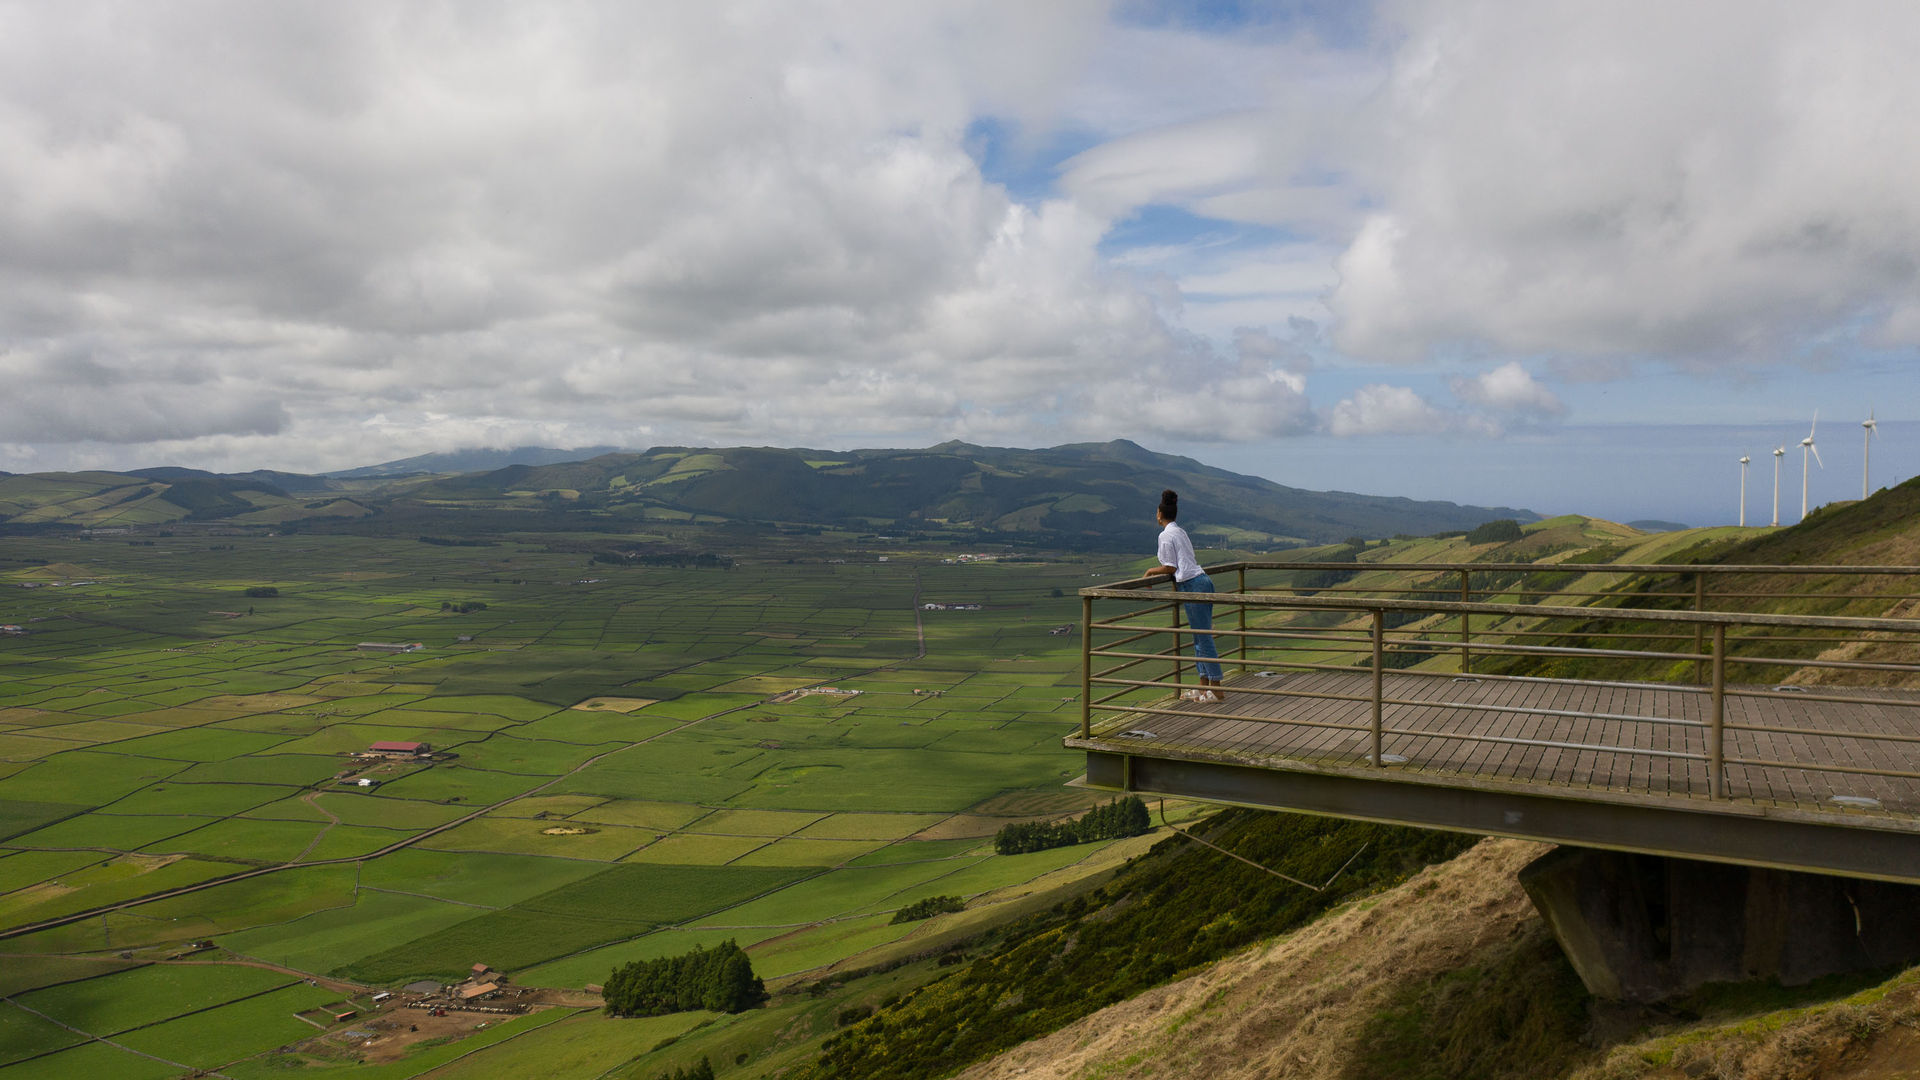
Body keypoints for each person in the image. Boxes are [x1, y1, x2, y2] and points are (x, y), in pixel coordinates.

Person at [1143, 489, 1223, 703]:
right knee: (1199, 636)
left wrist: (1151, 572)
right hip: (1203, 580)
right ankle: (1203, 687)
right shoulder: (1180, 531)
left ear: (1160, 514)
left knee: (1203, 638)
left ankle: (1216, 688)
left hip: (1192, 585)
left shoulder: (1165, 535)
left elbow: (1170, 567)